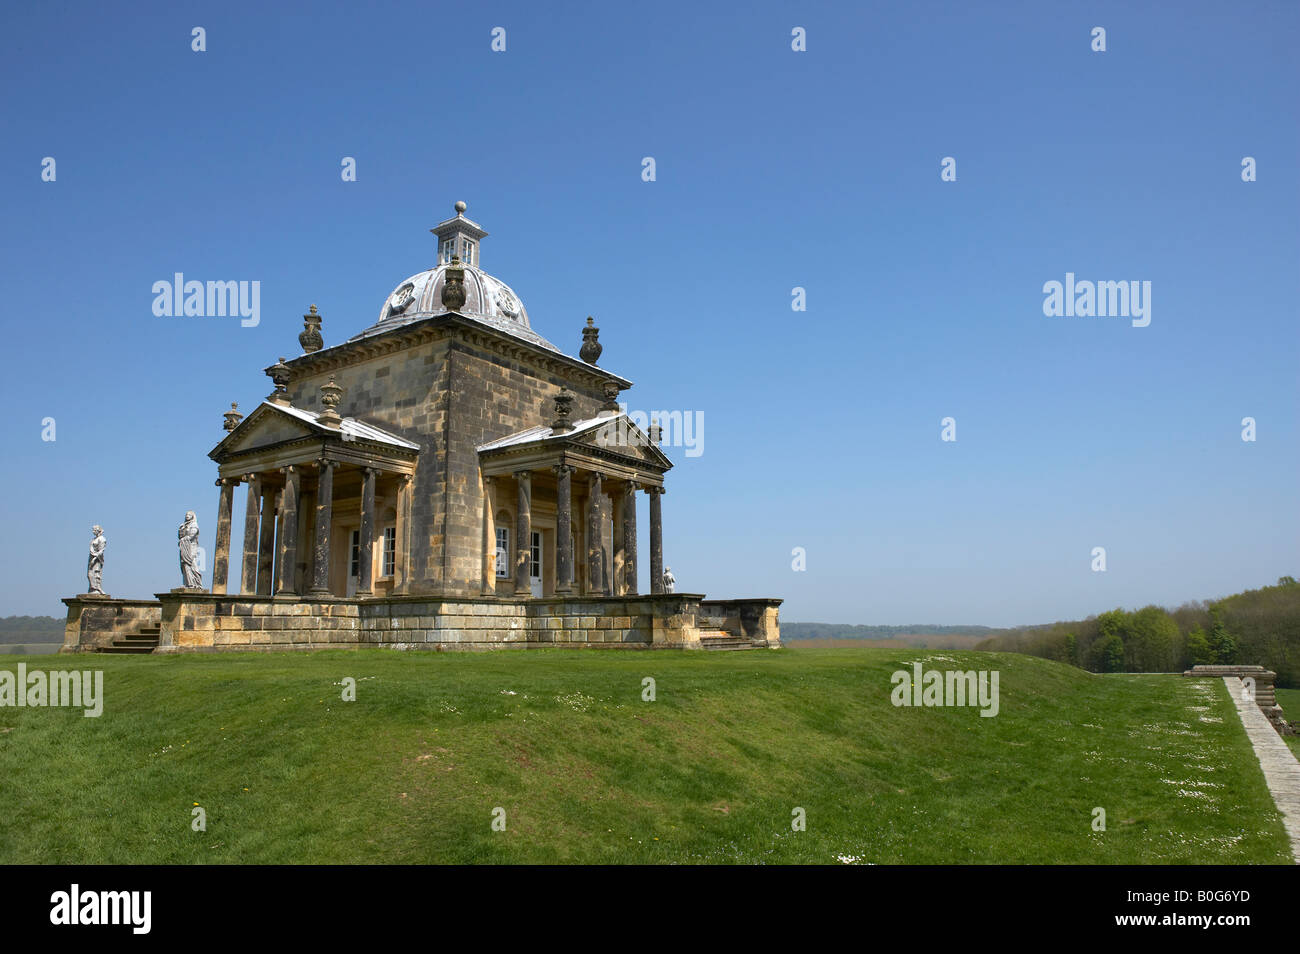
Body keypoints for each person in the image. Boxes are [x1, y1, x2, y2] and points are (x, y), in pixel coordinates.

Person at [178, 511, 203, 588]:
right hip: (184, 546)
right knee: (184, 564)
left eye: (189, 515)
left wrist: (183, 537)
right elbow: (180, 536)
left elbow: (191, 535)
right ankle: (187, 583)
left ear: (192, 516)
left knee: (192, 563)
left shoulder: (194, 525)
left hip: (191, 547)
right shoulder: (183, 525)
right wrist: (181, 530)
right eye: (186, 515)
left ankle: (196, 582)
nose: (187, 516)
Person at [87, 525, 106, 594]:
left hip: (97, 559)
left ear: (98, 530)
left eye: (94, 530)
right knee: (89, 574)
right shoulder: (94, 539)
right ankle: (92, 588)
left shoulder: (102, 539)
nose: (93, 531)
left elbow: (101, 551)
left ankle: (97, 588)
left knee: (96, 573)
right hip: (92, 557)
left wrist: (94, 559)